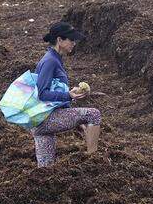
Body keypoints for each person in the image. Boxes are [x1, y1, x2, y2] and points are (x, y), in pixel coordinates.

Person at [30, 21, 101, 167]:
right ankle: (94, 163)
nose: (74, 43)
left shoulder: (54, 59)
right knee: (93, 114)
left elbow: (52, 91)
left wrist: (71, 110)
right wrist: (68, 95)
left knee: (46, 169)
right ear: (59, 40)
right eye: (71, 39)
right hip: (45, 120)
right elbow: (42, 94)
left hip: (39, 122)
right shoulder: (50, 61)